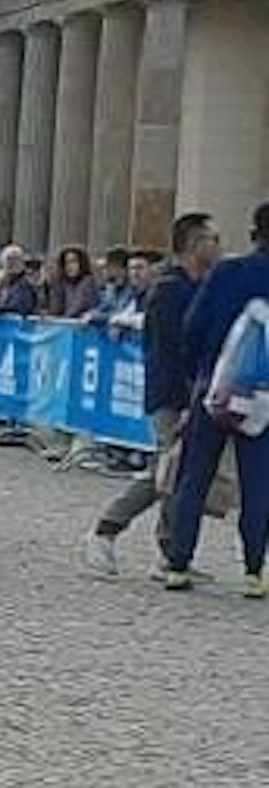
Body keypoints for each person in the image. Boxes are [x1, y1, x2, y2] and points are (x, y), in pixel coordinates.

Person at [84, 212, 221, 578]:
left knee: (180, 472)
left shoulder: (198, 286)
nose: (219, 247)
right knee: (167, 469)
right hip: (173, 395)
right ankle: (107, 528)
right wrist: (188, 397)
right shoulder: (169, 291)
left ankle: (171, 551)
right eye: (213, 239)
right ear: (194, 244)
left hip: (196, 394)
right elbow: (171, 351)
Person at [163, 200, 269, 597]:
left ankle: (178, 562)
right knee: (258, 483)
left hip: (216, 386)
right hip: (263, 396)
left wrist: (200, 371)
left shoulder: (228, 271)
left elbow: (192, 326)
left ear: (254, 233)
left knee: (195, 476)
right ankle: (254, 570)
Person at [44, 246, 98, 320]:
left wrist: (61, 320)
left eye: (73, 262)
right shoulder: (60, 282)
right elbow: (54, 309)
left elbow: (77, 307)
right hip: (64, 325)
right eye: (66, 263)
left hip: (82, 326)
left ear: (81, 263)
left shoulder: (88, 281)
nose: (69, 266)